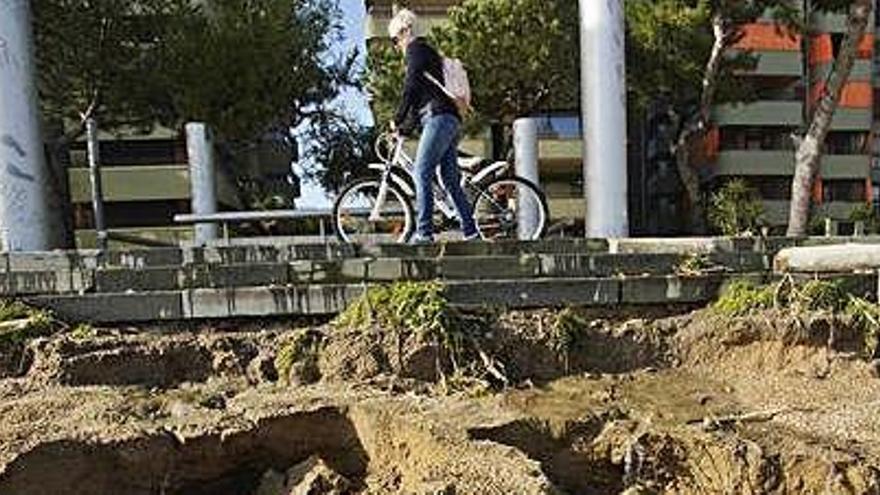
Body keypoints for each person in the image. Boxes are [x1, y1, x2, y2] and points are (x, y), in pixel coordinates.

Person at [387, 8, 479, 244]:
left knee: (421, 172)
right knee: (449, 178)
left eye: (395, 40)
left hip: (439, 118)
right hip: (446, 119)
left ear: (405, 31)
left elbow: (410, 88)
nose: (396, 46)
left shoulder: (416, 49)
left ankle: (424, 233)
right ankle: (471, 231)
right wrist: (404, 129)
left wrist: (396, 118)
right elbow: (419, 99)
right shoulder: (426, 54)